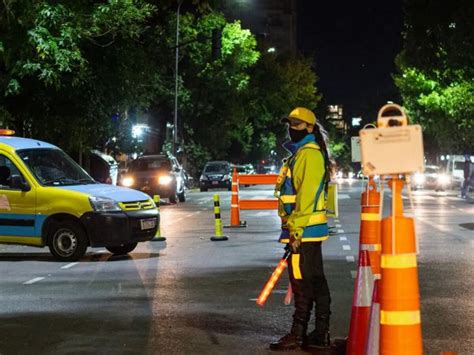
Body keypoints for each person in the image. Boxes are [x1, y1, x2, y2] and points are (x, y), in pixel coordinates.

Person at [270, 107, 333, 351]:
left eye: (297, 125)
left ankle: (302, 333)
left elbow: (306, 196)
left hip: (303, 231)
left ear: (309, 128)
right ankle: (316, 333)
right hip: (303, 230)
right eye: (290, 124)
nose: (291, 128)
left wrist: (295, 231)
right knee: (311, 281)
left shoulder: (309, 155)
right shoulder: (303, 154)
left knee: (304, 282)